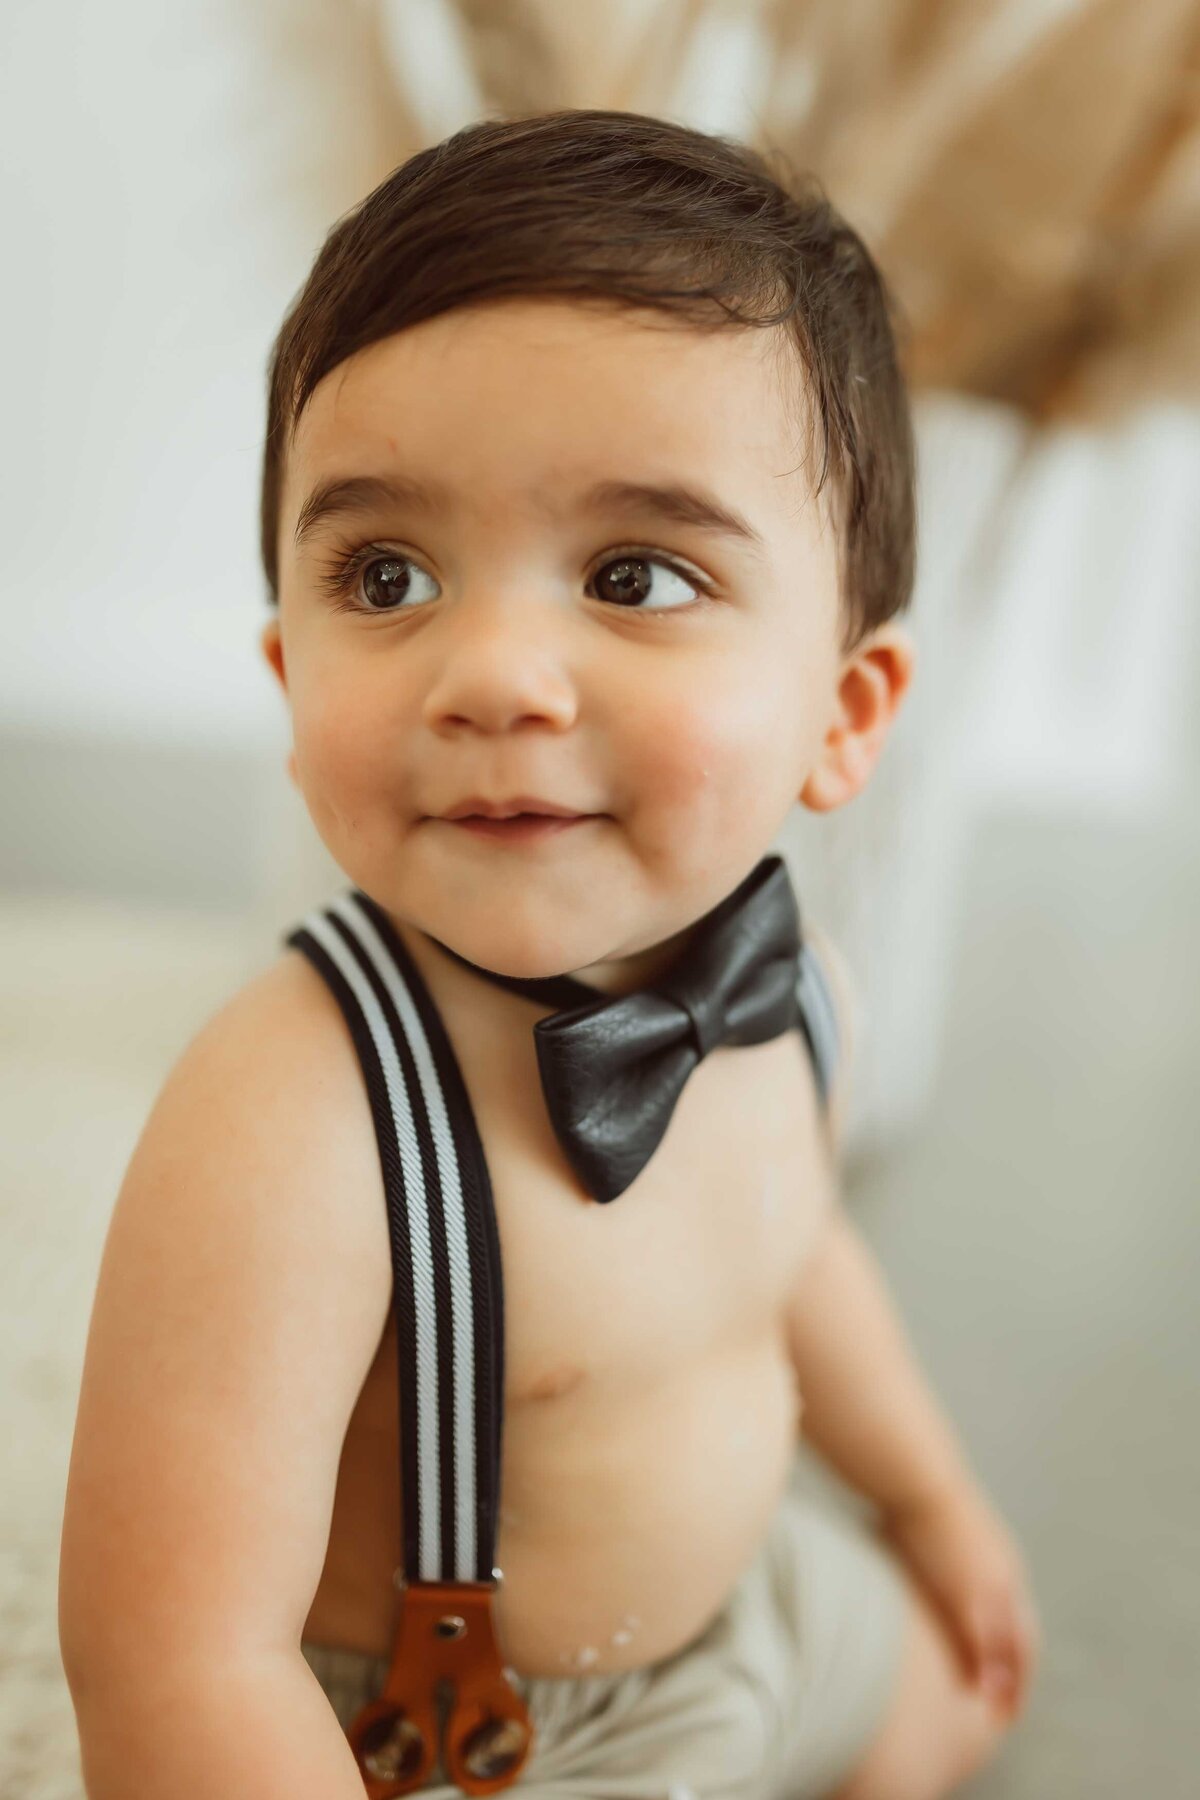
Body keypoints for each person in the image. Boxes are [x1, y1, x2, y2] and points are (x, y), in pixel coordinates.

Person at [58, 109, 1040, 1800]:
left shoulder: (793, 988)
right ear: (293, 686)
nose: (495, 672)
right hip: (464, 1728)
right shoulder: (290, 1118)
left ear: (845, 711)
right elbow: (170, 1654)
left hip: (750, 1613)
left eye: (635, 572)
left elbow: (794, 1262)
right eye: (389, 573)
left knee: (951, 1703)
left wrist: (930, 1499)